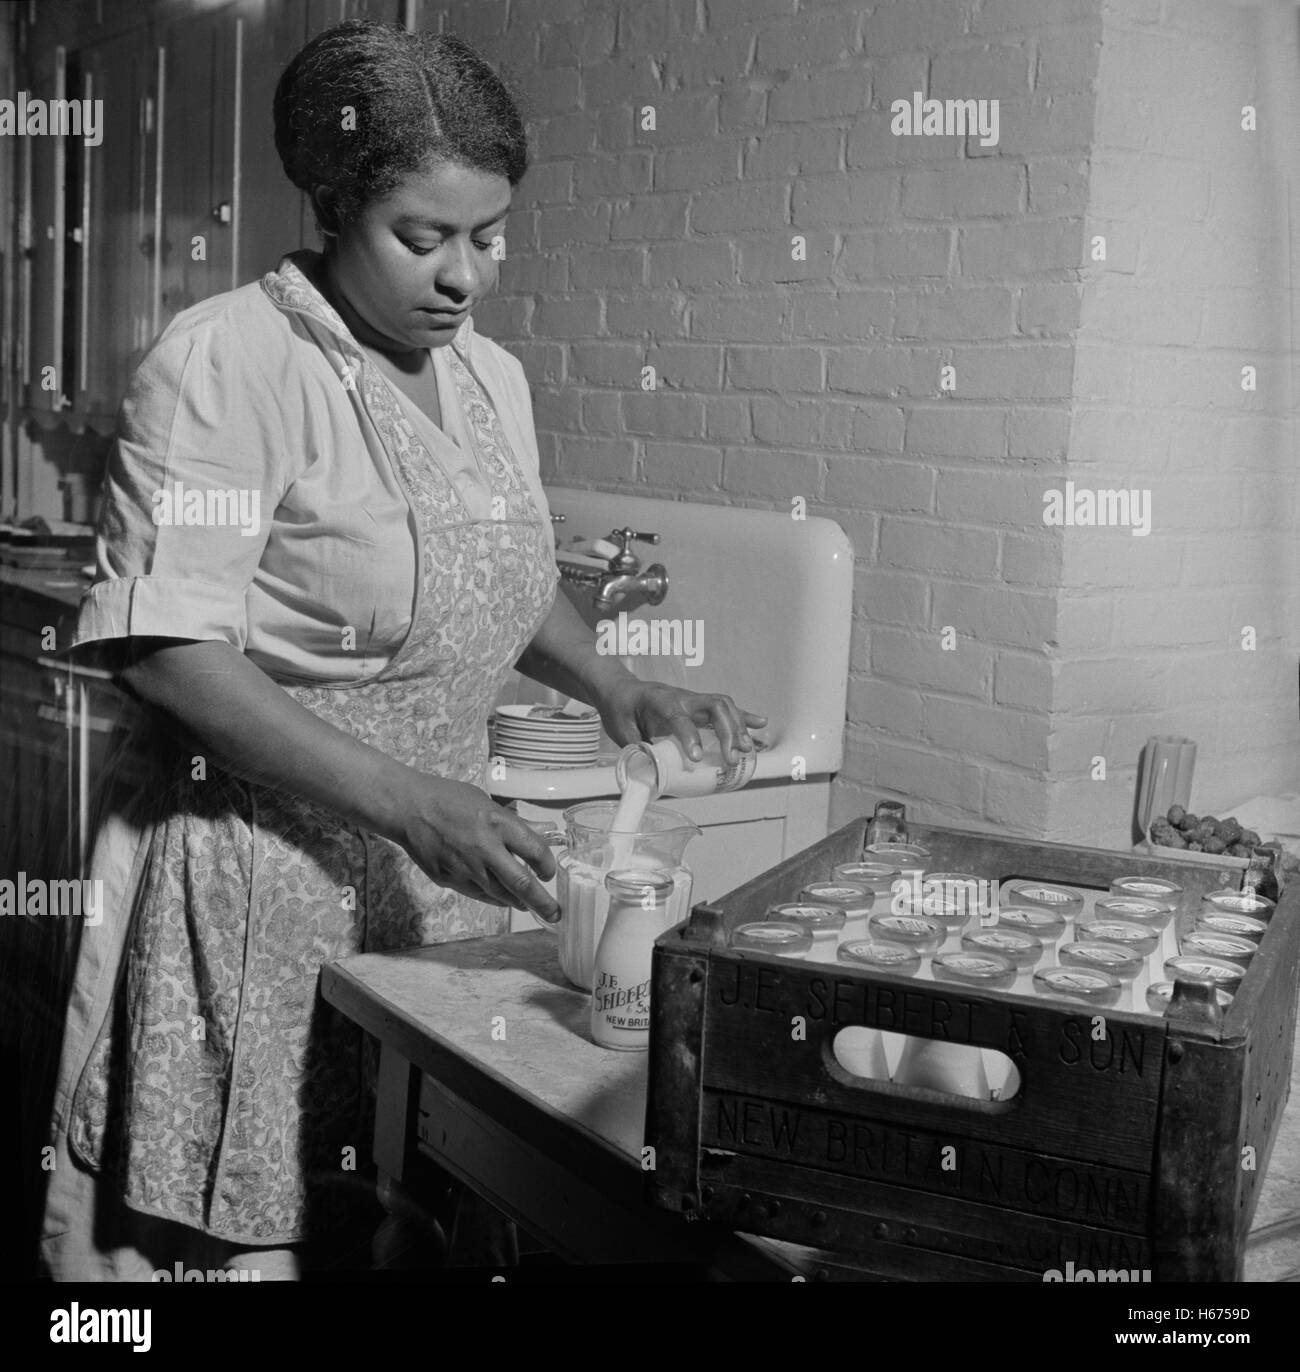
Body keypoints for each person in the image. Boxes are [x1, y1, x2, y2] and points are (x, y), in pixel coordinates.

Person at [39, 20, 764, 1281]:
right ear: (329, 204)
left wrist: (614, 684)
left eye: (487, 236)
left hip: (424, 877)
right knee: (231, 1240)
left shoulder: (490, 379)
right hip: (251, 872)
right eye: (421, 239)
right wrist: (408, 802)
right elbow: (167, 648)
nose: (464, 277)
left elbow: (501, 571)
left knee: (399, 1214)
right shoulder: (232, 364)